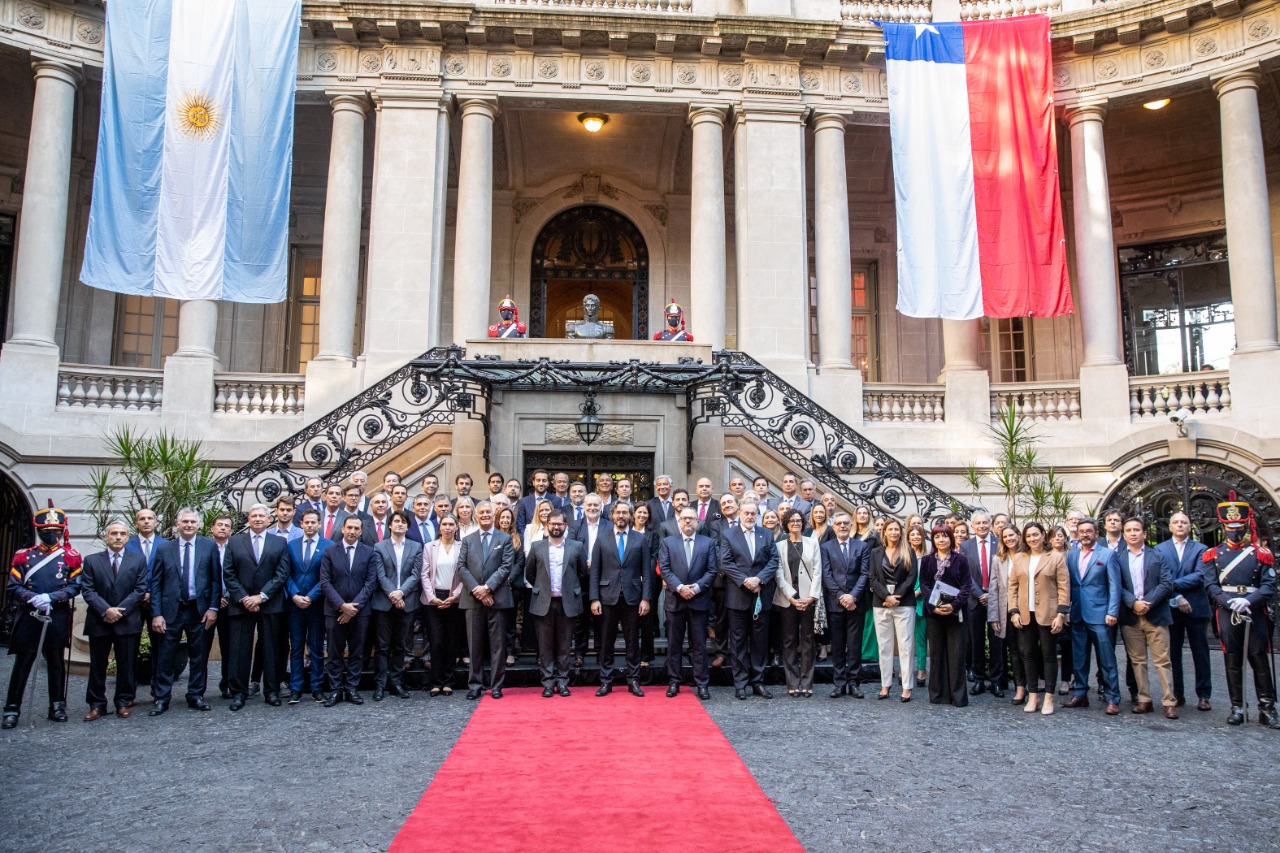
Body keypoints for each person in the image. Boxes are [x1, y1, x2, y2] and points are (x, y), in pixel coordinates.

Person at [1203, 494, 1278, 727]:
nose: (1234, 531)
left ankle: (1267, 708)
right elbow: (1211, 585)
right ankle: (1237, 707)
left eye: (1238, 527)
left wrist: (1250, 600)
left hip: (1253, 611)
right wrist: (1228, 602)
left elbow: (1269, 585)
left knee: (1259, 658)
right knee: (1232, 659)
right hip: (1227, 611)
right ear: (1224, 527)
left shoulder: (1260, 553)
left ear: (1246, 525)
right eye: (1230, 527)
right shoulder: (1213, 555)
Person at [222, 504, 293, 711]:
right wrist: (245, 598)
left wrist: (261, 596)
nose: (258, 519)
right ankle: (238, 693)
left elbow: (282, 573)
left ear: (269, 518)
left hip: (270, 603)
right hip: (242, 604)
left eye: (262, 515)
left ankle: (271, 691)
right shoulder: (235, 542)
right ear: (248, 519)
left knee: (271, 649)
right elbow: (229, 573)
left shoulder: (279, 542)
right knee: (239, 650)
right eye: (254, 515)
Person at [150, 508, 220, 714]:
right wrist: (156, 613)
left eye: (192, 522)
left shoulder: (209, 546)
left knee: (199, 655)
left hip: (198, 610)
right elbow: (156, 583)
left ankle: (196, 694)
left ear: (198, 525)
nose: (189, 525)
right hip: (171, 610)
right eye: (185, 522)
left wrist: (213, 608)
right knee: (166, 655)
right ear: (177, 525)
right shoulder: (164, 549)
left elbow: (216, 579)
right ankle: (162, 697)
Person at [1112, 516, 1178, 719]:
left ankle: (1169, 701)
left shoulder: (1158, 556)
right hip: (1131, 617)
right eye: (1129, 530)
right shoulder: (1118, 558)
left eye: (1136, 530)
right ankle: (1144, 699)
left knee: (1162, 660)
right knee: (1137, 661)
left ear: (1144, 534)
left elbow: (1167, 583)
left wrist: (1147, 603)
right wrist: (1133, 603)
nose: (1133, 533)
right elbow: (1117, 586)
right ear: (1124, 534)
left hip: (1155, 614)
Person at [80, 521, 146, 721]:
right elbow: (88, 590)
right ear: (105, 536)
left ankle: (123, 702)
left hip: (127, 621)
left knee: (127, 665)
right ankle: (96, 704)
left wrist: (120, 611)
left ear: (128, 537)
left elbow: (140, 589)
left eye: (122, 534)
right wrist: (106, 610)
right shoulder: (92, 560)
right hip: (100, 620)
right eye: (114, 533)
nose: (118, 537)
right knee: (97, 665)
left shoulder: (138, 560)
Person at [1007, 521, 1069, 716]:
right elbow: (1013, 587)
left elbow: (1063, 587)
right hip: (1025, 614)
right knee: (1028, 654)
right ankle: (1033, 694)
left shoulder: (1056, 557)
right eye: (1028, 536)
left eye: (1036, 534)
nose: (1032, 539)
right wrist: (1014, 611)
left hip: (1049, 614)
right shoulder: (1019, 558)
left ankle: (1049, 696)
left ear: (1043, 535)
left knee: (1049, 655)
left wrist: (1061, 614)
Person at [718, 503, 779, 700]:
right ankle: (740, 684)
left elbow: (773, 561)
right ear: (739, 514)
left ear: (757, 515)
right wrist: (745, 581)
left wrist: (759, 579)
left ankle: (758, 682)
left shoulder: (766, 534)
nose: (750, 516)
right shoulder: (728, 534)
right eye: (746, 513)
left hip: (761, 593)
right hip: (738, 595)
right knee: (738, 642)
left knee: (760, 641)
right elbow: (725, 562)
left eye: (753, 513)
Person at [1062, 517, 1121, 714]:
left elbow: (1114, 586)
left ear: (1096, 534)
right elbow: (1069, 586)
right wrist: (1066, 610)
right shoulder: (1071, 556)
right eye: (1082, 531)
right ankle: (1080, 694)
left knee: (1106, 659)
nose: (1085, 534)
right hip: (1078, 614)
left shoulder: (1108, 554)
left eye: (1089, 531)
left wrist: (1112, 611)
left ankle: (1113, 698)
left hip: (1100, 615)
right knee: (1079, 658)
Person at [591, 502, 651, 693]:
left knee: (632, 641)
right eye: (618, 512)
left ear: (630, 516)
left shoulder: (640, 540)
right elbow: (595, 571)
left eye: (625, 512)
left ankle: (633, 680)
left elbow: (647, 572)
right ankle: (606, 681)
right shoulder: (602, 539)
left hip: (633, 598)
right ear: (612, 515)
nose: (622, 515)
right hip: (607, 597)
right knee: (606, 642)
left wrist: (646, 598)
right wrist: (594, 598)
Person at [319, 517, 380, 706]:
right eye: (349, 527)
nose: (352, 531)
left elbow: (371, 583)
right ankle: (336, 689)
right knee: (334, 652)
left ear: (361, 531)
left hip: (360, 612)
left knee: (357, 652)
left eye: (356, 528)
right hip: (334, 610)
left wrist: (353, 607)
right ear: (343, 529)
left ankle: (352, 688)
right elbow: (325, 582)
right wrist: (342, 606)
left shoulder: (369, 552)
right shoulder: (330, 551)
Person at [457, 501, 515, 699]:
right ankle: (475, 685)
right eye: (481, 512)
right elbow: (462, 567)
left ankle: (496, 685)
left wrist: (488, 588)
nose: (484, 515)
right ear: (476, 515)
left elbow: (506, 566)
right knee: (474, 644)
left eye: (488, 512)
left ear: (494, 514)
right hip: (473, 600)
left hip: (497, 598)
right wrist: (477, 590)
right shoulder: (467, 539)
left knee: (497, 645)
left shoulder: (505, 538)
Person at [659, 508, 718, 699]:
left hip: (699, 600)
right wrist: (679, 587)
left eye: (691, 519)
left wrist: (697, 588)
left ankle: (701, 683)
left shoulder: (708, 543)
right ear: (679, 522)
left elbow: (711, 570)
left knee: (699, 645)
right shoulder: (668, 542)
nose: (687, 522)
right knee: (674, 644)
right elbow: (665, 568)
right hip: (675, 600)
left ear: (698, 522)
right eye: (684, 519)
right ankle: (674, 682)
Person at [527, 510, 586, 697]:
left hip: (567, 603)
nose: (556, 527)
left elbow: (582, 573)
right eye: (552, 523)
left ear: (565, 526)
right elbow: (530, 573)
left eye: (559, 524)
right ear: (546, 526)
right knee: (545, 646)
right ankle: (547, 682)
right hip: (543, 602)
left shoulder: (576, 547)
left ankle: (562, 682)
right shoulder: (537, 547)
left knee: (564, 645)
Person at [1156, 511, 1211, 711]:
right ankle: (1177, 694)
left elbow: (1200, 575)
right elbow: (1159, 578)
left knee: (1201, 653)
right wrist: (1176, 596)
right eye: (1176, 522)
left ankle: (1204, 695)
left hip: (1196, 607)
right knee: (1173, 654)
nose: (1180, 525)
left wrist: (1173, 585)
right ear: (1170, 527)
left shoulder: (1202, 549)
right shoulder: (1160, 549)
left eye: (1184, 522)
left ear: (1189, 526)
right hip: (1171, 608)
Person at [371, 510, 423, 701]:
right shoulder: (379, 547)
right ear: (390, 525)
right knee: (382, 646)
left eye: (403, 522)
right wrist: (393, 594)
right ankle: (380, 684)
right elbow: (380, 574)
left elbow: (415, 574)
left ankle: (396, 682)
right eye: (396, 521)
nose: (400, 524)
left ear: (408, 526)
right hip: (384, 603)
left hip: (407, 601)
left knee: (401, 646)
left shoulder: (416, 547)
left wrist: (401, 593)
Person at [919, 525, 972, 707]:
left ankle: (957, 696)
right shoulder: (927, 561)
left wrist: (953, 605)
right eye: (937, 537)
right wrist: (933, 607)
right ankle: (937, 694)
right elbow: (924, 584)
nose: (941, 540)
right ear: (933, 540)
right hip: (934, 614)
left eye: (945, 536)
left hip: (955, 613)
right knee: (936, 654)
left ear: (951, 538)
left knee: (956, 655)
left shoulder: (961, 560)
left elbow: (967, 586)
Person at [774, 509, 823, 697]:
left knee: (808, 641)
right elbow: (778, 573)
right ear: (786, 524)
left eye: (798, 520)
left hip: (808, 599)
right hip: (789, 600)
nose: (795, 523)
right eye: (791, 521)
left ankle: (807, 682)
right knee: (789, 641)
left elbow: (818, 571)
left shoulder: (813, 543)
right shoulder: (779, 546)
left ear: (803, 523)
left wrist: (811, 597)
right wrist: (791, 597)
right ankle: (793, 683)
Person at [821, 511, 870, 698]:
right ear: (833, 526)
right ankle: (839, 683)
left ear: (851, 525)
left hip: (856, 603)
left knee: (855, 645)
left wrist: (853, 597)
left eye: (846, 523)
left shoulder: (862, 546)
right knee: (838, 645)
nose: (842, 526)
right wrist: (842, 596)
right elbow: (827, 574)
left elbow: (865, 573)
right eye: (839, 523)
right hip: (835, 603)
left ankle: (854, 683)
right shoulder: (826, 547)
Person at [869, 518, 918, 701]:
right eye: (890, 529)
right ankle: (885, 685)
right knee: (884, 646)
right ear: (885, 532)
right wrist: (886, 596)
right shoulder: (875, 552)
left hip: (904, 603)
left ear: (901, 532)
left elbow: (912, 577)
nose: (894, 532)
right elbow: (872, 578)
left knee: (905, 646)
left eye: (897, 529)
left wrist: (896, 596)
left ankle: (906, 687)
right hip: (881, 603)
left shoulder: (909, 551)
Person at [286, 509, 330, 703]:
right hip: (294, 605)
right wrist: (294, 594)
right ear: (301, 524)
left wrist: (311, 596)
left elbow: (327, 577)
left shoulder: (328, 546)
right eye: (307, 522)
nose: (310, 525)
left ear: (319, 524)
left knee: (316, 647)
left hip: (316, 604)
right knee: (296, 647)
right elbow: (285, 573)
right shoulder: (291, 545)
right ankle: (296, 687)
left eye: (314, 522)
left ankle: (317, 686)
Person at [421, 515, 465, 696]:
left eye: (451, 524)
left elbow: (465, 574)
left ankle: (448, 681)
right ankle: (436, 681)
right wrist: (431, 597)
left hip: (454, 598)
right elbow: (424, 574)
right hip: (434, 600)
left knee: (451, 641)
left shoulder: (462, 547)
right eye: (444, 524)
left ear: (456, 527)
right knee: (436, 641)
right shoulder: (429, 547)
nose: (447, 528)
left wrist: (455, 596)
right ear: (439, 528)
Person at [960, 512, 999, 696]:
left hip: (996, 599)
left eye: (985, 523)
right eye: (978, 523)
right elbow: (965, 574)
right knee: (976, 642)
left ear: (990, 524)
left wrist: (991, 594)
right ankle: (978, 680)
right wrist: (979, 594)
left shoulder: (999, 544)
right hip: (974, 601)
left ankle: (996, 681)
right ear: (972, 526)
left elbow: (1004, 573)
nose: (982, 526)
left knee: (996, 641)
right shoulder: (965, 546)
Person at [987, 524, 1021, 703]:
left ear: (1018, 535)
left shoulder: (1026, 557)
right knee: (998, 648)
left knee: (1019, 649)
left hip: (1021, 610)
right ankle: (997, 682)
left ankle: (1020, 684)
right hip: (1002, 609)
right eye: (1005, 536)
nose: (1009, 539)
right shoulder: (998, 559)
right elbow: (993, 589)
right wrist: (993, 616)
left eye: (1011, 535)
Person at [907, 523, 929, 685]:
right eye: (912, 535)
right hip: (906, 601)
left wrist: (919, 591)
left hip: (922, 602)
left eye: (918, 534)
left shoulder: (928, 557)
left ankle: (921, 669)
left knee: (920, 639)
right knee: (905, 639)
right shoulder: (904, 555)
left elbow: (931, 578)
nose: (915, 537)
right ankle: (905, 668)